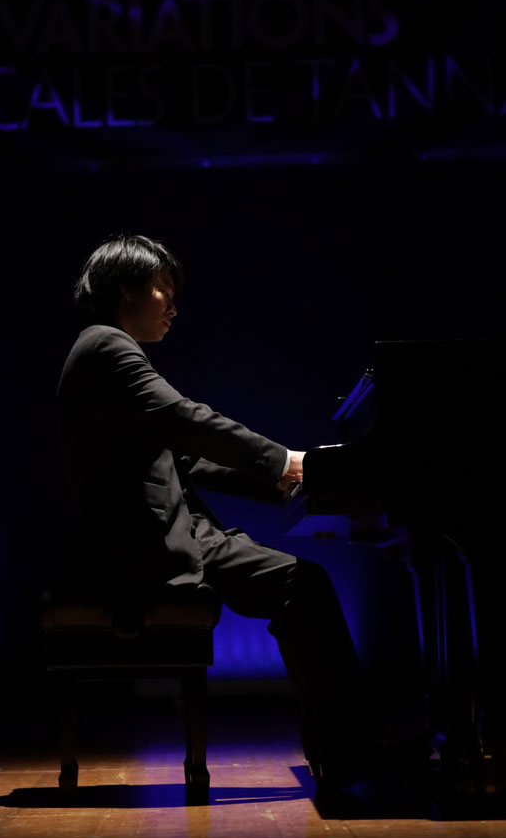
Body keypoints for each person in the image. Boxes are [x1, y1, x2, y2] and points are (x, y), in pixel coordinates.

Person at [55, 232, 391, 791]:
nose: (173, 304)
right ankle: (351, 752)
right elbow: (189, 421)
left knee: (302, 586)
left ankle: (344, 748)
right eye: (162, 288)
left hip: (169, 536)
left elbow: (188, 458)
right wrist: (284, 461)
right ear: (125, 289)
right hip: (146, 549)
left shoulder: (104, 353)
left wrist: (288, 482)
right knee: (303, 586)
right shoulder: (107, 349)